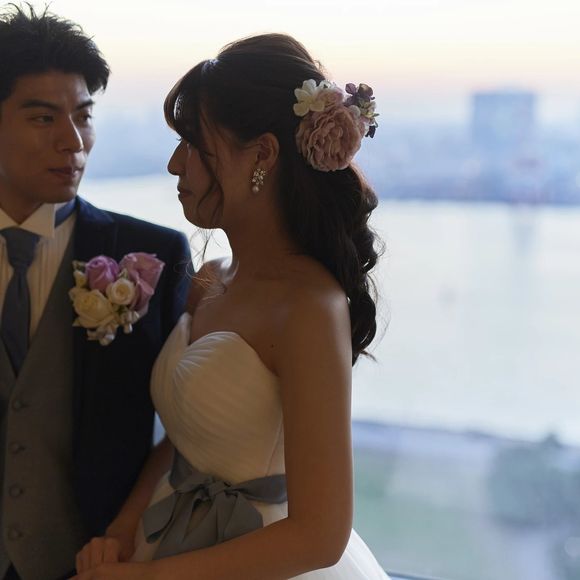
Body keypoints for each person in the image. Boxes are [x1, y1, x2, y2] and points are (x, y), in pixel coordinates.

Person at [74, 33, 388, 579]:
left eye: (192, 143)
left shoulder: (309, 309)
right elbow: (185, 437)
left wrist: (148, 578)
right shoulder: (209, 278)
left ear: (262, 154)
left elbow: (320, 537)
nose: (174, 164)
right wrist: (121, 530)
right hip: (166, 533)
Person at [0, 5, 190, 580]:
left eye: (84, 116)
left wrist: (123, 530)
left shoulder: (152, 256)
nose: (73, 140)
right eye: (43, 118)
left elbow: (186, 428)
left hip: (92, 563)